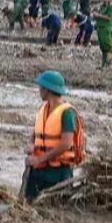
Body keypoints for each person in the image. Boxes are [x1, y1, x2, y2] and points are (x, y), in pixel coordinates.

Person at [24, 70, 84, 201]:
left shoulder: (67, 113)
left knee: (54, 206)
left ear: (47, 90)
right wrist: (31, 145)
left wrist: (39, 159)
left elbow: (66, 143)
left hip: (58, 173)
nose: (39, 90)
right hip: (39, 171)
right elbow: (35, 133)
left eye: (41, 87)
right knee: (29, 203)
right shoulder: (44, 109)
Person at [90, 0, 112, 69]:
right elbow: (98, 17)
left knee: (108, 46)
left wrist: (98, 15)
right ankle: (103, 65)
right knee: (103, 48)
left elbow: (109, 18)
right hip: (100, 28)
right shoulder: (101, 6)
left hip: (106, 29)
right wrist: (94, 15)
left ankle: (108, 63)